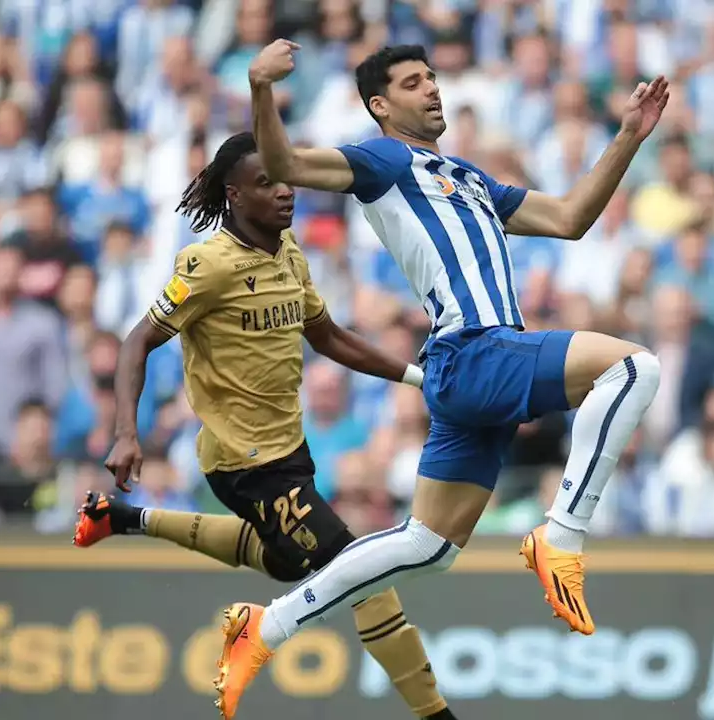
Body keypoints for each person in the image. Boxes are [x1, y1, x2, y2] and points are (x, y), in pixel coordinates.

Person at [210, 40, 668, 718]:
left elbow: (570, 220)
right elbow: (283, 163)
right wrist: (259, 88)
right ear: (379, 105)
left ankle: (267, 625)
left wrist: (628, 136)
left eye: (432, 78)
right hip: (476, 350)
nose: (431, 89)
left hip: (462, 369)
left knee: (427, 547)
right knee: (635, 366)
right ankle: (562, 535)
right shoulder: (382, 159)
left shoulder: (470, 178)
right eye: (412, 82)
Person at [76, 132, 460, 720]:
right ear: (233, 195)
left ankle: (122, 518)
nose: (285, 192)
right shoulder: (206, 266)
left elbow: (329, 338)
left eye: (287, 180)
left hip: (290, 450)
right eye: (266, 183)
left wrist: (416, 378)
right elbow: (136, 342)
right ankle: (435, 714)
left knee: (285, 562)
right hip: (244, 463)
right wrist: (127, 432)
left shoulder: (289, 254)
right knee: (361, 573)